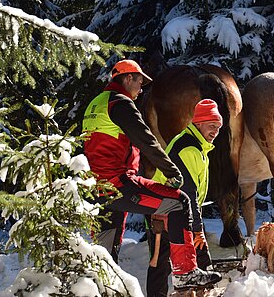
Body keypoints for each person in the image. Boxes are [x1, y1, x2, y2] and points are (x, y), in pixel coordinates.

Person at [82, 59, 221, 290]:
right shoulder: (120, 103)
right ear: (127, 79)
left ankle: (98, 290)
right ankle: (185, 272)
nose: (141, 88)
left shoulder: (95, 104)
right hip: (118, 182)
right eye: (139, 81)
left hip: (98, 188)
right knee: (178, 202)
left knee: (104, 256)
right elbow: (146, 140)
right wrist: (170, 171)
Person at [146, 99, 223, 297]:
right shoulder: (189, 148)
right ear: (199, 123)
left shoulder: (197, 145)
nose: (215, 131)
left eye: (218, 127)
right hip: (167, 212)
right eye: (212, 126)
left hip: (169, 211)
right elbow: (188, 192)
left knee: (162, 263)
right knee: (177, 263)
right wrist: (197, 229)